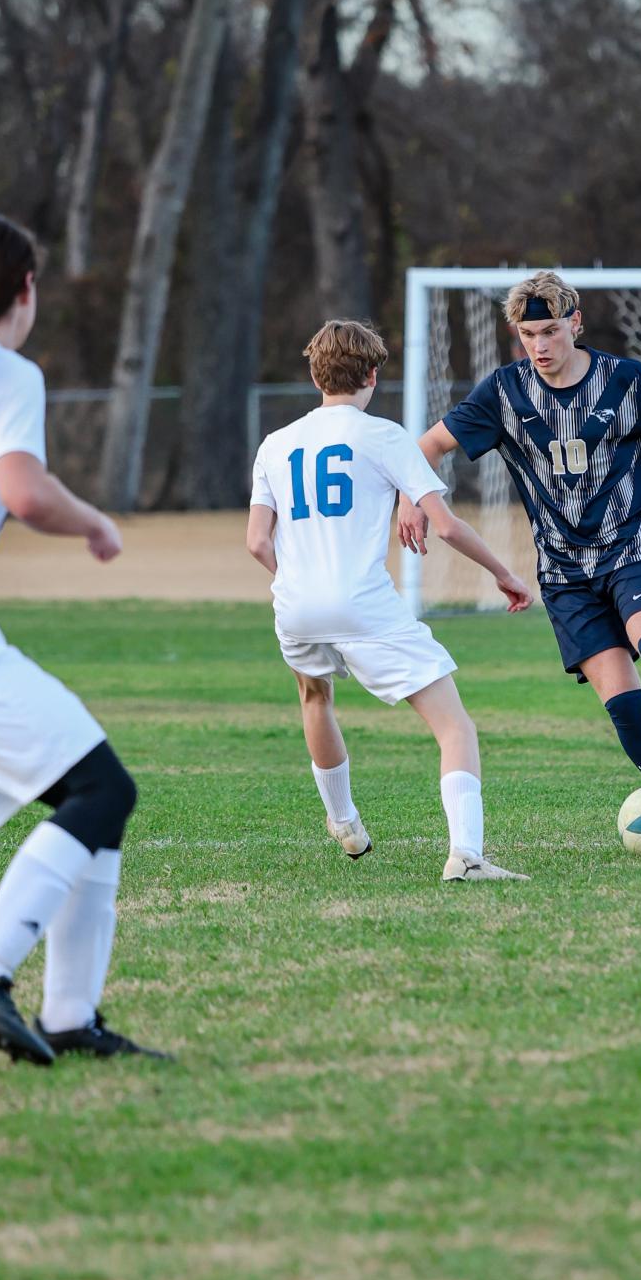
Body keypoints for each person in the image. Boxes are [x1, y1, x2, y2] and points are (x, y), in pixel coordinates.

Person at [0, 213, 166, 1065]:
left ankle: (71, 1019)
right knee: (104, 789)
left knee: (88, 794)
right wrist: (96, 521)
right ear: (24, 291)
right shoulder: (5, 372)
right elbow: (24, 491)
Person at [398, 271, 641, 837]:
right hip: (565, 572)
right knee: (622, 703)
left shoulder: (624, 380)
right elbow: (425, 447)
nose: (539, 346)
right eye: (527, 335)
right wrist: (412, 500)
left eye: (549, 331)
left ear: (576, 323)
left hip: (635, 544)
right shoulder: (503, 393)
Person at [248, 318, 534, 884]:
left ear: (314, 375)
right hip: (362, 604)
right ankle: (467, 856)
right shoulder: (383, 436)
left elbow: (257, 541)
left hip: (296, 604)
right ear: (374, 376)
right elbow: (446, 526)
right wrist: (505, 573)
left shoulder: (275, 444)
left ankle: (345, 822)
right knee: (454, 726)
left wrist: (300, 580)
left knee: (314, 698)